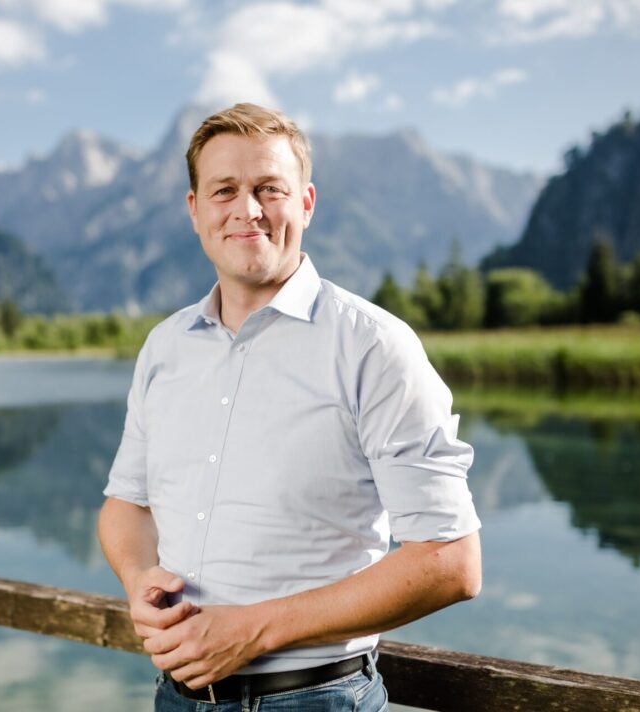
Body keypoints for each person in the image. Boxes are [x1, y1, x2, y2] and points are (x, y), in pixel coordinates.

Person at [97, 103, 482, 711]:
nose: (246, 210)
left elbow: (450, 561)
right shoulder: (164, 347)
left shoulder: (373, 345)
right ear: (194, 210)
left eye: (268, 189)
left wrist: (255, 629)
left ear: (304, 203)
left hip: (316, 699)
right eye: (224, 190)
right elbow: (126, 505)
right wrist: (139, 577)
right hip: (177, 698)